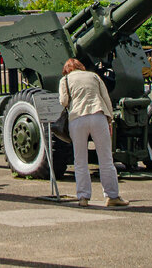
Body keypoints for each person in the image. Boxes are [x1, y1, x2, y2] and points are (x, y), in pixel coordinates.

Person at [59, 58, 127, 208]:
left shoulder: (65, 80)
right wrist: (109, 119)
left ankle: (83, 197)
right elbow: (105, 98)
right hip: (98, 114)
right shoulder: (93, 76)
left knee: (80, 160)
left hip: (77, 118)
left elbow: (63, 101)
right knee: (106, 159)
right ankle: (112, 196)